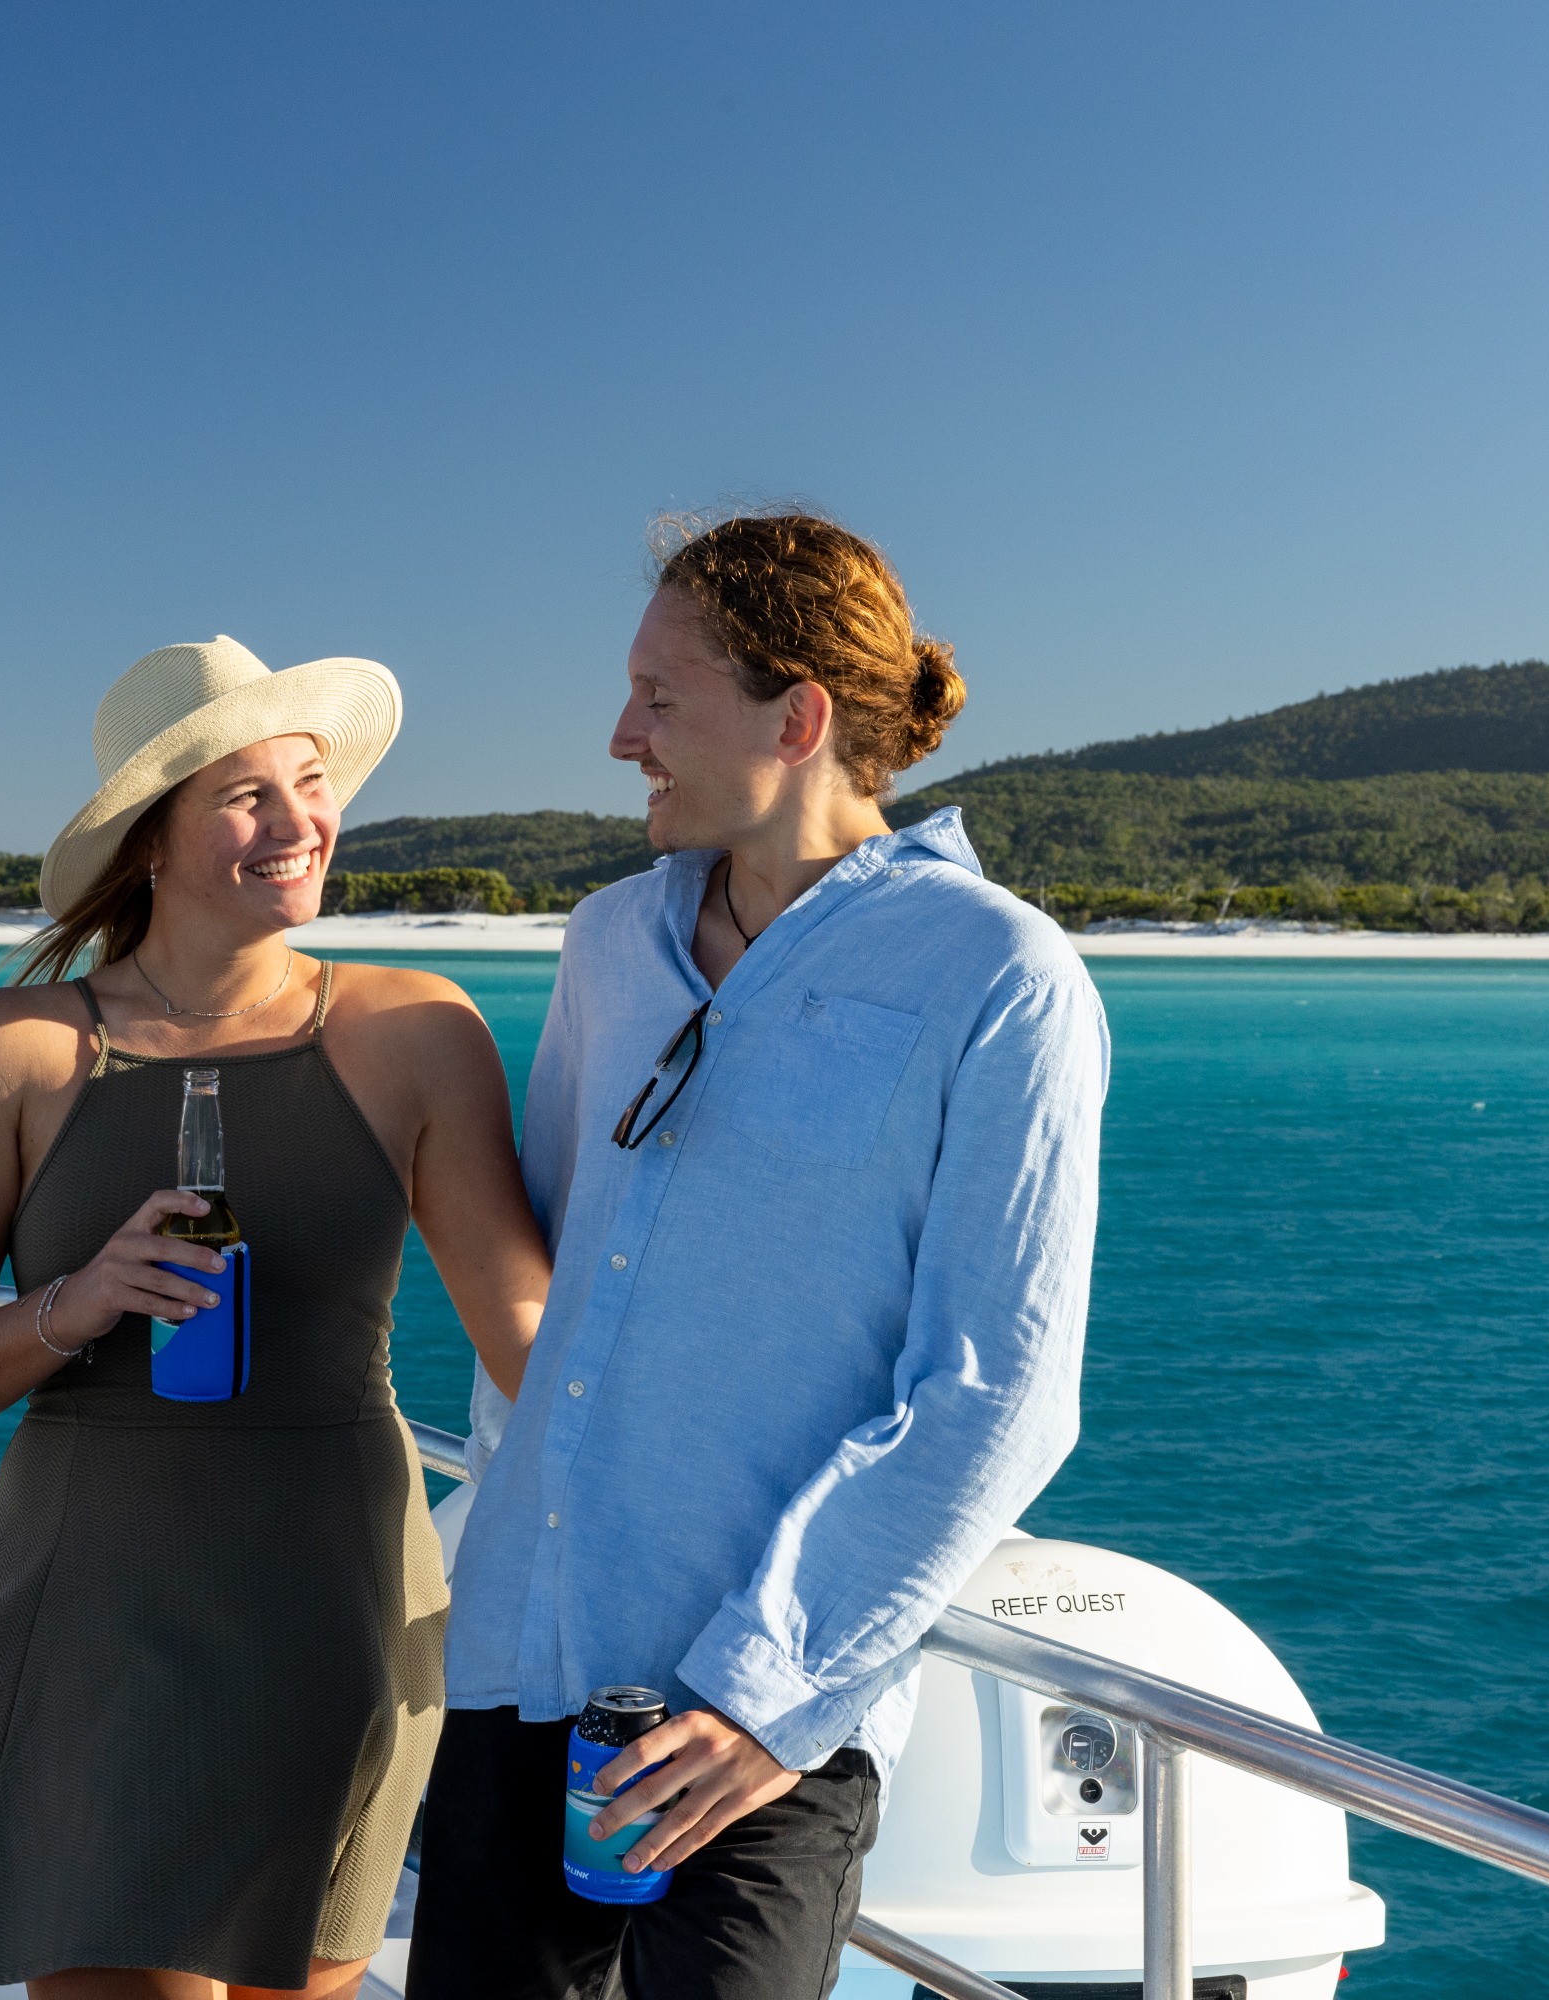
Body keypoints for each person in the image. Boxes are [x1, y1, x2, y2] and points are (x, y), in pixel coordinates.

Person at [407, 515, 1110, 1999]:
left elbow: (997, 1391)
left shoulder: (1002, 975)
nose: (620, 735)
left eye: (662, 698)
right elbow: (546, 1267)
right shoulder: (607, 940)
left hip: (760, 1736)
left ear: (797, 719)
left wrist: (764, 1698)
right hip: (521, 1668)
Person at [0, 637, 551, 2000]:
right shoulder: (8, 1050)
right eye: (245, 796)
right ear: (147, 841)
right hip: (101, 1602)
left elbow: (536, 1343)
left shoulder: (419, 1029)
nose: (299, 825)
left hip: (348, 1600)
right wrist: (75, 1304)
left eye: (312, 784)